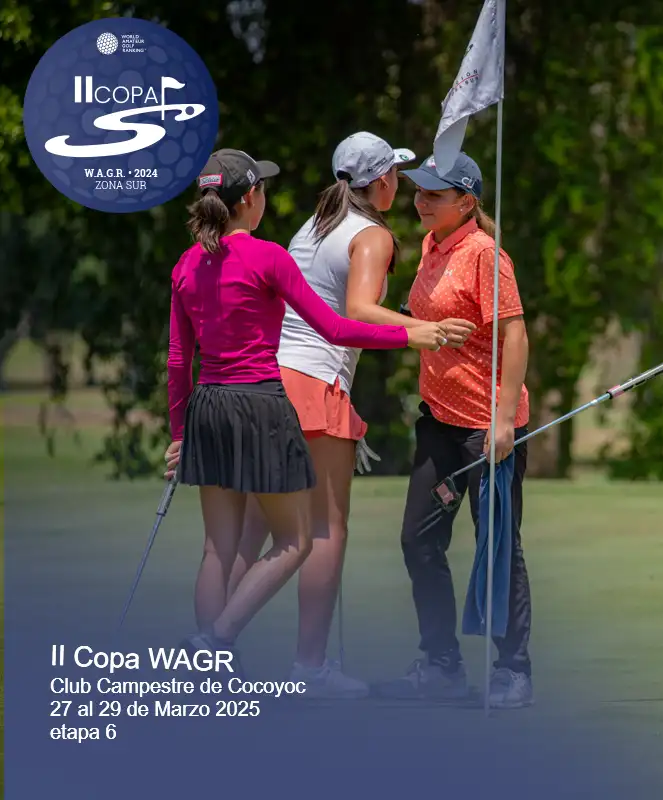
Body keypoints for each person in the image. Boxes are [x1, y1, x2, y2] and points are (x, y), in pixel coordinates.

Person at [162, 148, 449, 675]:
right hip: (261, 402)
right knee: (298, 540)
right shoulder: (268, 257)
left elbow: (179, 361)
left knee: (217, 549)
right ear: (251, 197)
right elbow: (336, 328)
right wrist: (410, 336)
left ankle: (206, 663)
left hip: (207, 406)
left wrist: (180, 433)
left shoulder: (186, 264)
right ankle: (217, 639)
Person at [228, 132, 477, 698]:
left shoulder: (313, 226)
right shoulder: (372, 234)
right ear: (382, 180)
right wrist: (423, 330)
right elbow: (358, 310)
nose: (401, 186)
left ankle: (208, 649)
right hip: (315, 385)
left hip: (272, 380)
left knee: (254, 530)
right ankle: (309, 667)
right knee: (325, 529)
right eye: (396, 175)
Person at [383, 151, 534, 709]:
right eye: (419, 191)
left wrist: (503, 420)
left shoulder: (484, 255)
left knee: (498, 548)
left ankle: (513, 670)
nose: (420, 201)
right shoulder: (431, 245)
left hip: (486, 428)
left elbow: (515, 337)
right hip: (439, 424)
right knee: (418, 540)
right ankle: (441, 664)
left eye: (434, 194)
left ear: (466, 202)